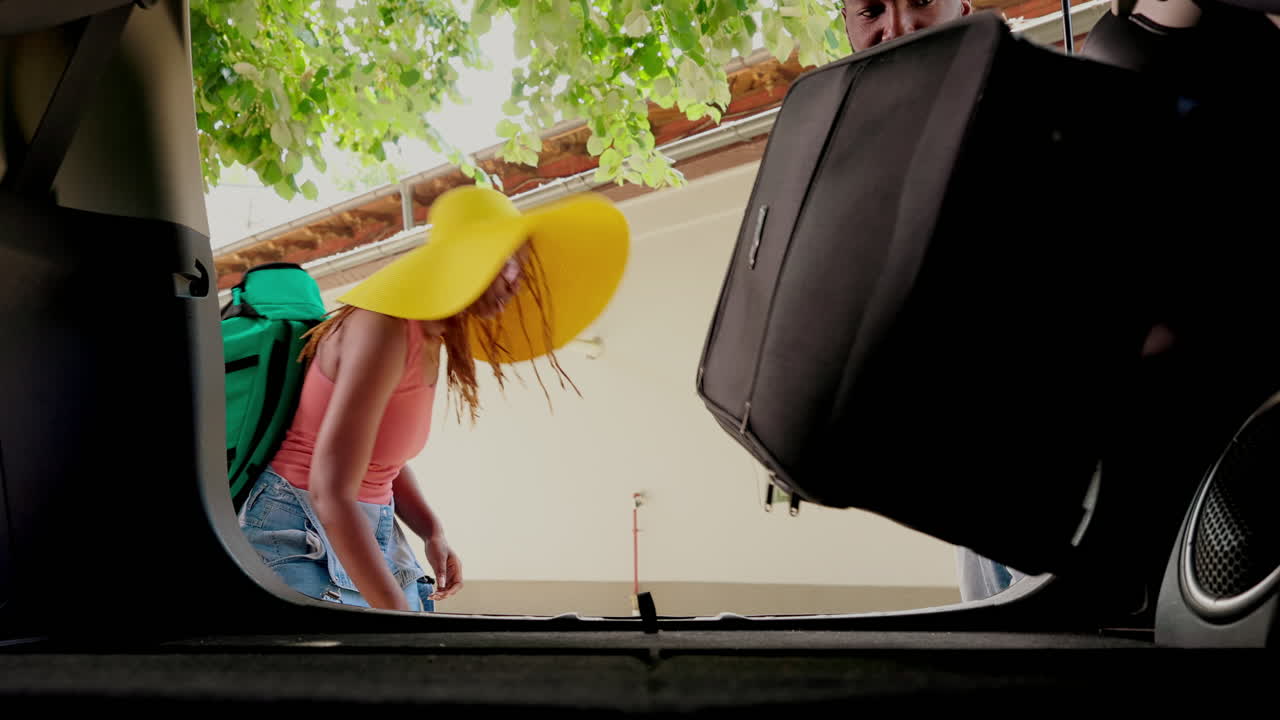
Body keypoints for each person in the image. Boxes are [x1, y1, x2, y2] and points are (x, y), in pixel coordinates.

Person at [237, 185, 629, 612]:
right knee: (386, 665)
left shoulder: (428, 338)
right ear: (468, 260)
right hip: (300, 523)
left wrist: (432, 532)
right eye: (507, 263)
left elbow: (381, 458)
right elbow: (331, 492)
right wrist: (400, 621)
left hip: (367, 521)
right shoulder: (383, 328)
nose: (516, 281)